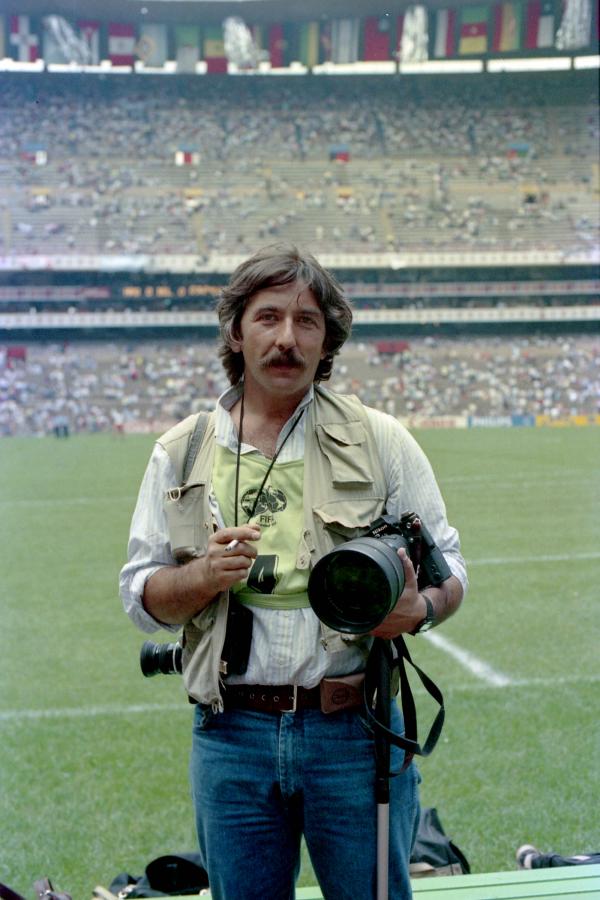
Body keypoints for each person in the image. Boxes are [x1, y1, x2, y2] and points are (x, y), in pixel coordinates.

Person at [120, 243, 467, 900]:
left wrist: (418, 610)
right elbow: (142, 598)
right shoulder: (181, 451)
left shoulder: (381, 439)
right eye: (269, 317)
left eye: (307, 321)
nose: (287, 338)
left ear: (327, 337)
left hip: (355, 734)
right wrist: (202, 578)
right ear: (235, 330)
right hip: (230, 737)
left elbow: (451, 573)